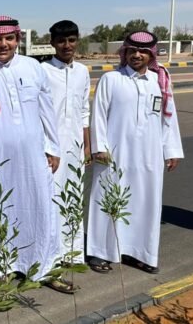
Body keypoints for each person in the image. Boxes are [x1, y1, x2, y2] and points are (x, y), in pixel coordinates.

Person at [0, 16, 61, 285]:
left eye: (9, 38)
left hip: (33, 154)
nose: (3, 44)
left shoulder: (33, 67)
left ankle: (38, 264)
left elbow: (46, 110)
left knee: (36, 205)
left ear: (17, 40)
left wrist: (53, 147)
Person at [87, 31, 183, 275]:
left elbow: (168, 118)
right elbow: (98, 115)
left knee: (145, 203)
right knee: (108, 200)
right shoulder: (111, 79)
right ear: (125, 52)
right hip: (114, 154)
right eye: (132, 51)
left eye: (143, 52)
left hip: (149, 155)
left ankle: (140, 253)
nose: (137, 55)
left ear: (151, 55)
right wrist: (99, 147)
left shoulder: (159, 81)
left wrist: (171, 150)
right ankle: (100, 252)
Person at [42, 20, 91, 280]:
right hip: (50, 148)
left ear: (77, 41)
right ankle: (51, 254)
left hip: (74, 146)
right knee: (51, 198)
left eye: (71, 40)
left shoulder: (82, 71)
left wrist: (87, 145)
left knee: (73, 196)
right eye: (61, 41)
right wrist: (45, 148)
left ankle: (72, 252)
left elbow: (84, 111)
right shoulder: (43, 71)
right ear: (52, 43)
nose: (67, 45)